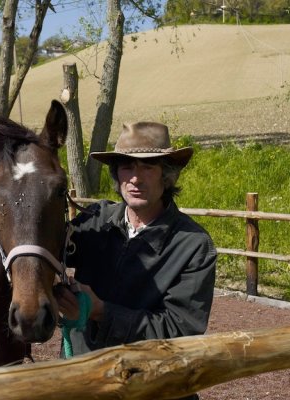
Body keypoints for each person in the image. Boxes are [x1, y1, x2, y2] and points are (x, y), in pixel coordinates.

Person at [54, 121, 216, 400]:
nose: (135, 179)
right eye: (127, 167)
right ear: (116, 175)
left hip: (153, 390)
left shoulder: (193, 244)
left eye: (147, 167)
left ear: (167, 176)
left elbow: (179, 333)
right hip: (81, 382)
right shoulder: (96, 220)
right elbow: (48, 253)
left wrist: (100, 311)